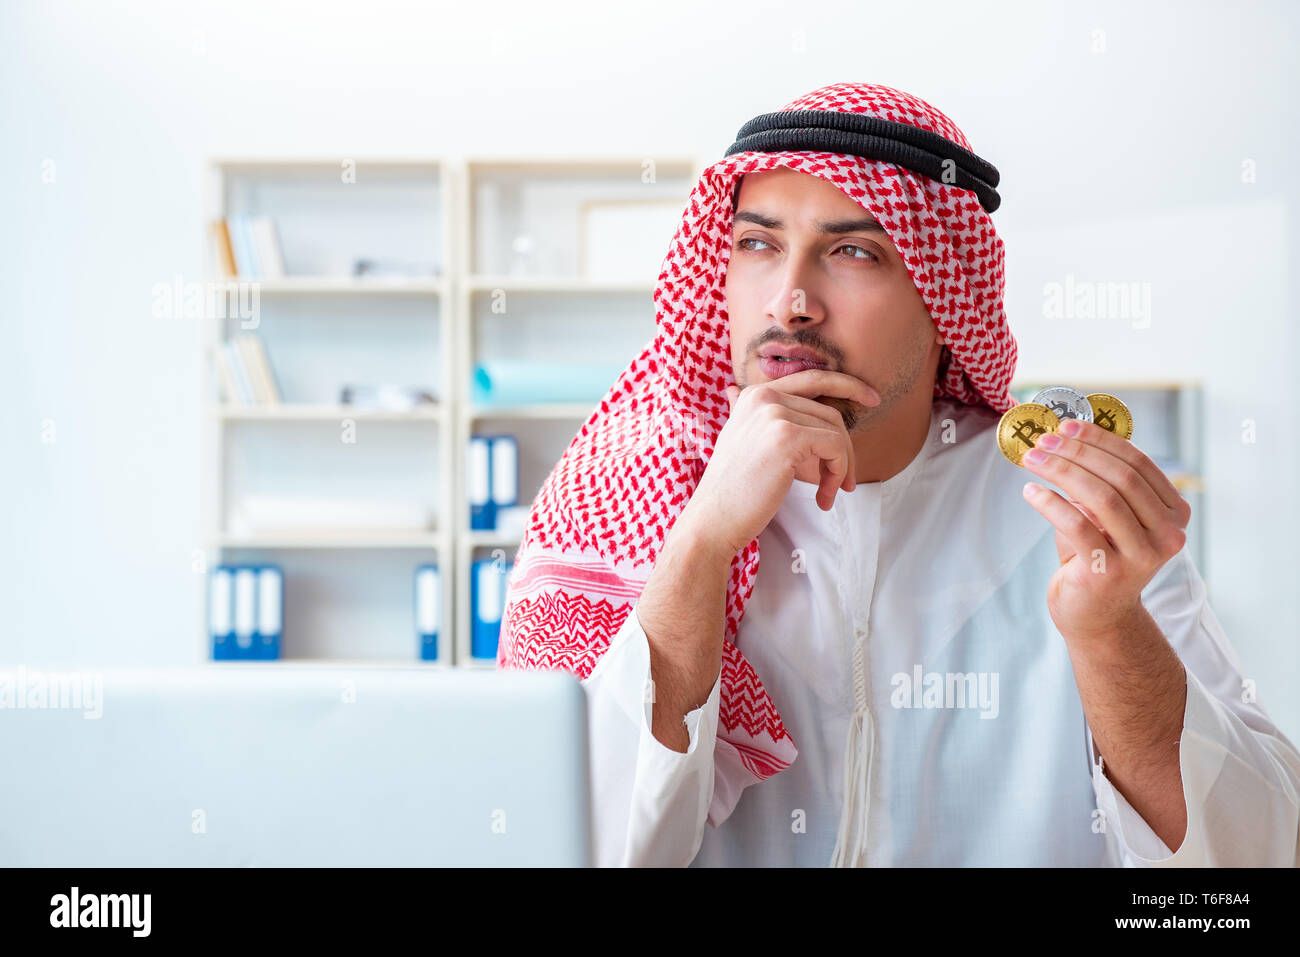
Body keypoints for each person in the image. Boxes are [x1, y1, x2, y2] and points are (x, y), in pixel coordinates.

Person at [497, 82, 1300, 867]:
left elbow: (1250, 862)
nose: (792, 299)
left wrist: (1108, 630)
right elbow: (566, 843)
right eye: (757, 243)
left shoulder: (1065, 514)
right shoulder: (640, 489)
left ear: (945, 300)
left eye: (853, 251)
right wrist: (702, 545)